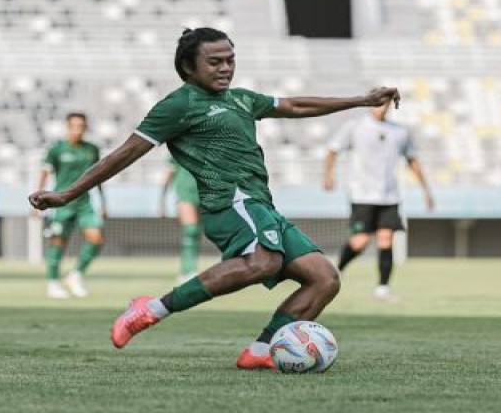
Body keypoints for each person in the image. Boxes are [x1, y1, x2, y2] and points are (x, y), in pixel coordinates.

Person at [29, 27, 401, 369]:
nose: (226, 68)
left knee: (324, 279)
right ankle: (151, 309)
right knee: (263, 263)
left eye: (230, 60)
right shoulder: (179, 105)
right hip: (231, 202)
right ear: (188, 67)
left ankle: (259, 352)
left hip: (261, 206)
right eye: (215, 62)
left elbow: (295, 106)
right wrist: (67, 193)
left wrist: (361, 100)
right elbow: (123, 154)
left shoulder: (240, 99)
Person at [322, 99, 434, 302]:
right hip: (362, 194)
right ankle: (336, 271)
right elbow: (333, 149)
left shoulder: (400, 131)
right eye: (378, 102)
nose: (382, 106)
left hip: (389, 195)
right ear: (371, 103)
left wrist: (426, 190)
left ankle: (382, 288)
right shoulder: (355, 126)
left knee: (386, 238)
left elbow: (412, 159)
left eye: (386, 103)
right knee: (359, 242)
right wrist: (328, 175)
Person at [35, 112, 106, 299]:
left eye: (81, 126)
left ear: (86, 128)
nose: (78, 130)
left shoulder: (92, 149)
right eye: (74, 126)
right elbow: (45, 173)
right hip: (62, 203)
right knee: (58, 243)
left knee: (96, 238)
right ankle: (53, 283)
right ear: (68, 127)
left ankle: (75, 275)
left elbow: (99, 176)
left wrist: (104, 202)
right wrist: (39, 198)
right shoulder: (56, 149)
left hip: (84, 203)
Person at [159, 156, 202, 283]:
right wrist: (162, 200)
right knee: (191, 231)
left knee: (217, 230)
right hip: (186, 195)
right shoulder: (178, 145)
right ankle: (188, 271)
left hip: (209, 195)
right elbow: (169, 173)